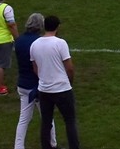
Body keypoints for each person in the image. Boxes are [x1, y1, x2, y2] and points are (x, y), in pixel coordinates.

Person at [30, 14, 81, 149]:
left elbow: (35, 68)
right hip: (62, 88)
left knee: (46, 122)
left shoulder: (34, 45)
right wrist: (69, 82)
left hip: (44, 89)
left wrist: (44, 79)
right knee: (70, 120)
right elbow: (69, 68)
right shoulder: (60, 43)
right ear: (57, 27)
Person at [13, 12, 57, 149]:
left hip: (23, 84)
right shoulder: (39, 42)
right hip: (37, 85)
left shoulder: (19, 40)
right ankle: (52, 143)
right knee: (47, 117)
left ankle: (18, 146)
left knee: (24, 119)